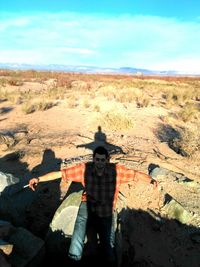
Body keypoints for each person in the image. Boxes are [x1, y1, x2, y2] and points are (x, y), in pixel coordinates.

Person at [29, 146, 158, 265]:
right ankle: (74, 261)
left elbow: (136, 174)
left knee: (108, 245)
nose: (100, 163)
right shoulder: (84, 169)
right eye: (97, 160)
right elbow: (61, 174)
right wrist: (38, 179)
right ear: (94, 159)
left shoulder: (117, 171)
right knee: (77, 238)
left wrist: (151, 180)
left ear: (107, 160)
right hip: (87, 205)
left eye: (103, 160)